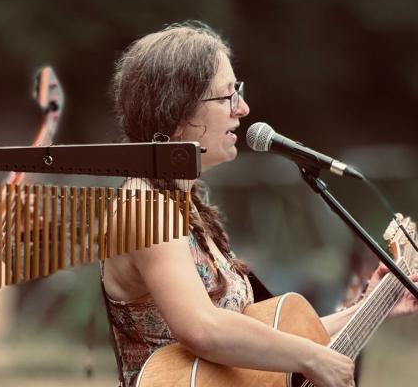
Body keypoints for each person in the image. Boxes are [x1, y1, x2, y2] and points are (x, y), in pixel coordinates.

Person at [101, 21, 418, 387]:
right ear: (177, 111)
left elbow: (262, 341)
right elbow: (202, 327)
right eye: (227, 96)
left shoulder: (192, 212)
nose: (244, 108)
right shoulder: (144, 205)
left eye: (239, 92)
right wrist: (311, 357)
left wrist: (372, 310)